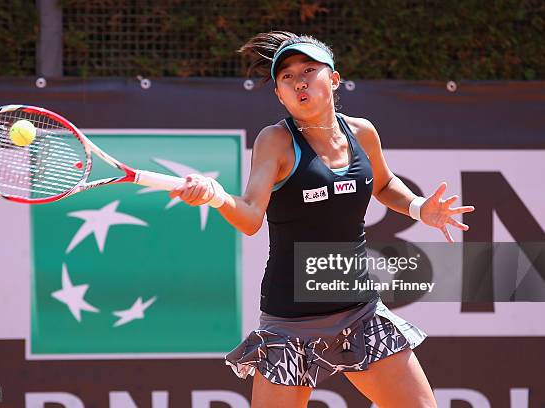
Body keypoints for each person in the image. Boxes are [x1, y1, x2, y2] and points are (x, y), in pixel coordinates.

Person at [170, 31, 475, 408]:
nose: (299, 81)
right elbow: (250, 217)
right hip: (291, 323)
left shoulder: (362, 132)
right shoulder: (275, 141)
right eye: (286, 77)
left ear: (333, 79)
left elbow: (383, 183)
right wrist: (215, 195)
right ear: (279, 94)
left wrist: (417, 207)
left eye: (309, 70)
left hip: (360, 313)